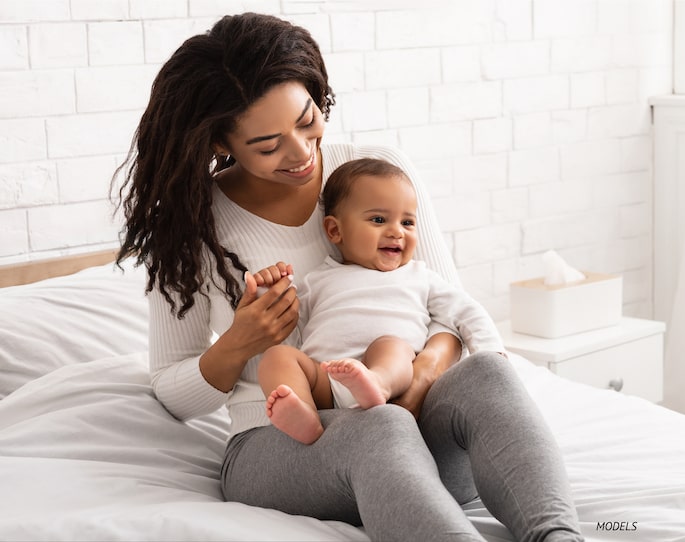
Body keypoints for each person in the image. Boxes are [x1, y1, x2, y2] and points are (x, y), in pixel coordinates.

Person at [115, 12, 584, 542]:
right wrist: (239, 343)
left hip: (412, 423)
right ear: (221, 143)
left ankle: (558, 535)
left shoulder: (376, 169)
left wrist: (421, 377)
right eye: (268, 145)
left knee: (489, 377)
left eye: (307, 119)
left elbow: (446, 311)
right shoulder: (188, 224)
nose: (300, 152)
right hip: (283, 449)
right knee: (380, 428)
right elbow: (172, 393)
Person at [257, 158, 508, 445]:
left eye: (407, 222)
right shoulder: (317, 279)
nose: (396, 231)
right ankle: (303, 414)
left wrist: (491, 353)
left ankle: (376, 383)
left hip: (395, 383)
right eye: (378, 220)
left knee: (392, 346)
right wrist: (268, 293)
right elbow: (287, 326)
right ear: (335, 231)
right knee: (277, 357)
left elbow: (466, 312)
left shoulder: (419, 276)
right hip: (325, 381)